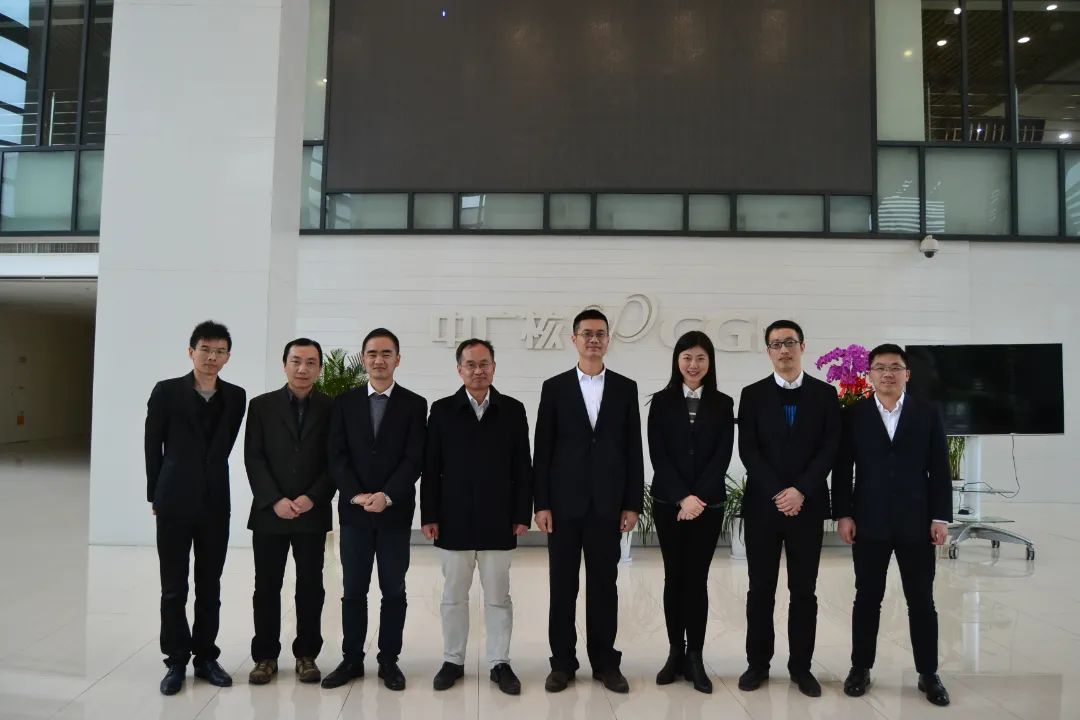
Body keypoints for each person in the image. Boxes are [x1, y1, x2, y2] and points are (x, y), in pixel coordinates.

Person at [832, 343, 952, 707]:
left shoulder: (926, 413)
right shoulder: (854, 415)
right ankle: (860, 668)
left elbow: (940, 469)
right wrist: (843, 514)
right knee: (867, 598)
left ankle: (928, 673)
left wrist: (940, 517)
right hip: (869, 522)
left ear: (907, 374)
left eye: (895, 367)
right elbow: (843, 469)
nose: (888, 373)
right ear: (869, 375)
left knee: (922, 601)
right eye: (880, 367)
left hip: (917, 522)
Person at [533, 308, 644, 694]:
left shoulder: (626, 388)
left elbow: (633, 449)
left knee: (604, 586)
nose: (594, 340)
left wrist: (632, 503)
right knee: (562, 587)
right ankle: (562, 663)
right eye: (587, 334)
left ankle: (605, 662)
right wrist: (541, 504)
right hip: (563, 506)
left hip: (607, 506)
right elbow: (543, 449)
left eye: (600, 334)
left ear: (608, 340)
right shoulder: (555, 387)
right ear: (574, 339)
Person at [420, 339, 532, 695]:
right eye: (470, 364)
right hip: (453, 518)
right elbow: (431, 466)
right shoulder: (442, 410)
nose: (478, 370)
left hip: (499, 518)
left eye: (484, 364)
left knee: (498, 596)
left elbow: (523, 466)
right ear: (459, 369)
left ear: (494, 367)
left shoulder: (512, 410)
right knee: (454, 595)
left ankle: (500, 662)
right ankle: (453, 660)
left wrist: (522, 513)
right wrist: (429, 514)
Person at [736, 319, 840, 697]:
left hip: (807, 507)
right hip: (764, 507)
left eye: (789, 342)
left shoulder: (825, 394)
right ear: (768, 351)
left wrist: (801, 491)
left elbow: (830, 448)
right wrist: (780, 491)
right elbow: (749, 450)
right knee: (760, 589)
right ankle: (757, 664)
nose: (783, 350)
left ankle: (801, 667)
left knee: (804, 591)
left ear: (802, 346)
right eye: (776, 344)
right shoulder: (752, 395)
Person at [145, 320, 247, 696]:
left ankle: (205, 657)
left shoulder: (236, 396)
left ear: (228, 357)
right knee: (173, 587)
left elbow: (223, 447)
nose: (212, 357)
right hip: (173, 499)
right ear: (191, 352)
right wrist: (155, 494)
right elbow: (152, 444)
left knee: (210, 585)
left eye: (220, 351)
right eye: (205, 349)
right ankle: (175, 660)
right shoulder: (166, 391)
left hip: (215, 501)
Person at [323, 328, 427, 691]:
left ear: (397, 359)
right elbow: (336, 455)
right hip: (354, 514)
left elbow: (414, 458)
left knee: (393, 589)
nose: (378, 360)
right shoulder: (344, 402)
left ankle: (388, 661)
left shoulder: (415, 404)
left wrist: (387, 495)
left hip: (394, 514)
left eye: (386, 354)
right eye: (372, 354)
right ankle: (351, 659)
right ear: (364, 358)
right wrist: (356, 495)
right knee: (353, 589)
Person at [647, 330, 734, 694]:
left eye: (700, 358)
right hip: (669, 504)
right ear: (677, 361)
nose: (693, 365)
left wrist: (697, 498)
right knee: (674, 578)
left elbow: (722, 455)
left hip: (708, 506)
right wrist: (683, 497)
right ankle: (675, 652)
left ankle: (695, 655)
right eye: (687, 358)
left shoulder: (723, 403)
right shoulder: (661, 401)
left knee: (696, 579)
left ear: (709, 361)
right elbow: (658, 453)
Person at [245, 338, 335, 686]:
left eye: (311, 362)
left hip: (312, 512)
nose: (302, 368)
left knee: (310, 586)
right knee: (266, 586)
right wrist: (274, 500)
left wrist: (313, 497)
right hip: (270, 513)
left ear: (319, 368)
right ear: (284, 364)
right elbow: (254, 457)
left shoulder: (332, 408)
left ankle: (306, 655)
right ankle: (265, 656)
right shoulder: (261, 406)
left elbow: (335, 460)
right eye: (296, 361)